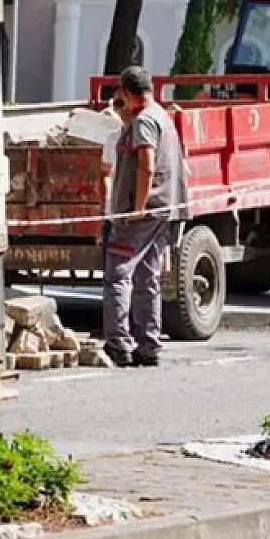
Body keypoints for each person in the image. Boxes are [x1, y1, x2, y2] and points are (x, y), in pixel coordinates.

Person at [102, 66, 190, 367]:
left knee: (118, 272)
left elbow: (146, 165)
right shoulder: (163, 117)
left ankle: (119, 342)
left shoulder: (144, 122)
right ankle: (149, 345)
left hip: (143, 211)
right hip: (164, 208)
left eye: (121, 94)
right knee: (148, 276)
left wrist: (137, 208)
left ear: (127, 92)